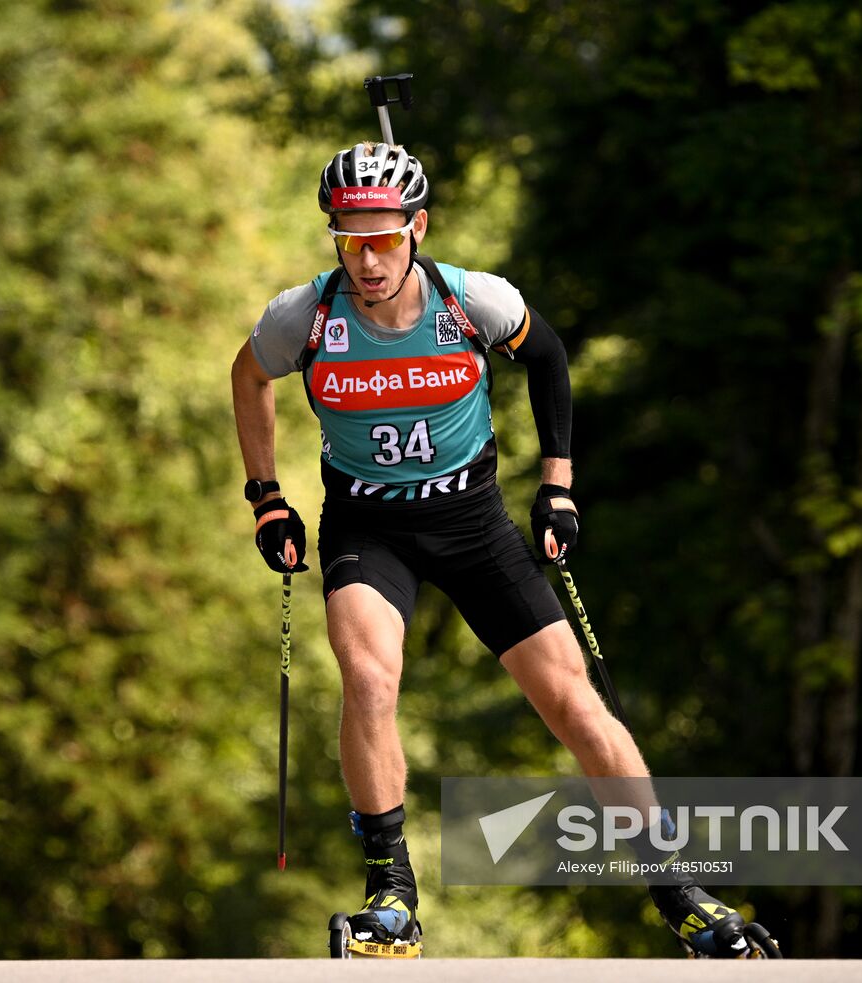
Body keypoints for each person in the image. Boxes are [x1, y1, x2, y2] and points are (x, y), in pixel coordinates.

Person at [230, 140, 750, 956]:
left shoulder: (473, 301)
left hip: (472, 522)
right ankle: (390, 891)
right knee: (368, 678)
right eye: (349, 239)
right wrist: (268, 499)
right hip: (368, 525)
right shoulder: (307, 316)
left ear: (418, 227)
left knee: (573, 698)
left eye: (385, 238)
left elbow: (547, 357)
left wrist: (559, 482)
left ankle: (678, 888)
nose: (368, 259)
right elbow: (249, 376)